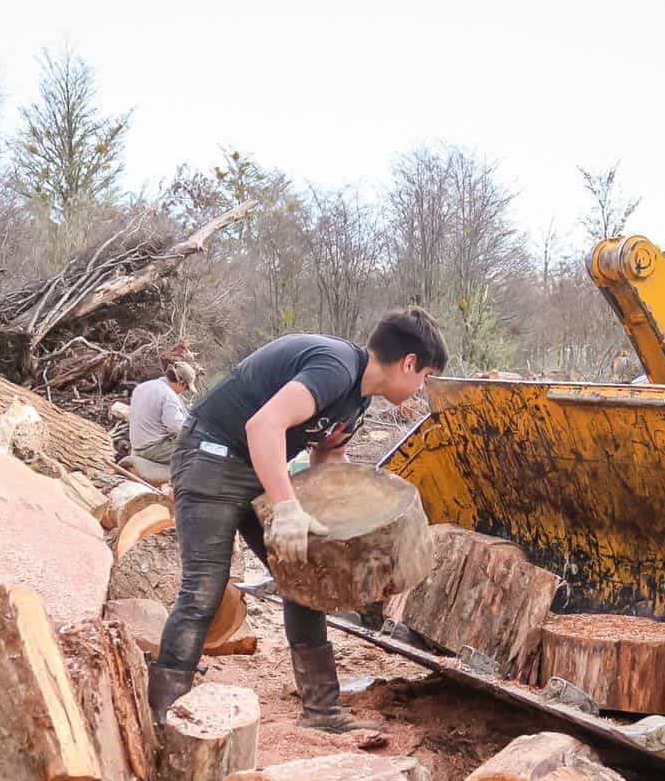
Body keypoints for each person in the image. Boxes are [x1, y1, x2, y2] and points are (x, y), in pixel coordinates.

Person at [149, 308, 449, 730]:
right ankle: (164, 718)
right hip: (211, 458)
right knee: (204, 590)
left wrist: (340, 527)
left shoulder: (358, 398)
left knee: (305, 577)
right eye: (425, 376)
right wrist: (287, 509)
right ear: (409, 363)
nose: (421, 387)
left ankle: (322, 711)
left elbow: (327, 456)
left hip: (257, 467)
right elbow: (263, 425)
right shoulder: (335, 366)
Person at [128, 361, 197, 483]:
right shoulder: (169, 395)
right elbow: (177, 428)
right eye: (185, 388)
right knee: (199, 454)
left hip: (137, 445)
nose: (183, 392)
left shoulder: (142, 387)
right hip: (154, 448)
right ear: (181, 383)